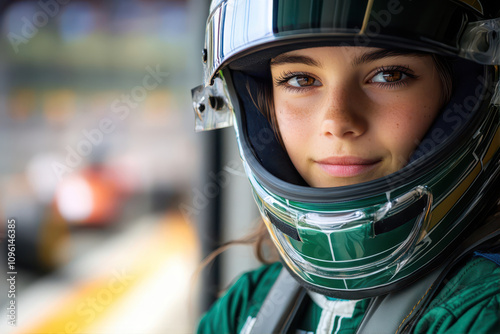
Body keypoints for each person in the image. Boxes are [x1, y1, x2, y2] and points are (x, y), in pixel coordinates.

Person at [191, 1, 500, 333]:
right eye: (300, 79)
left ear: (462, 96)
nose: (337, 122)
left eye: (388, 75)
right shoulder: (245, 306)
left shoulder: (482, 311)